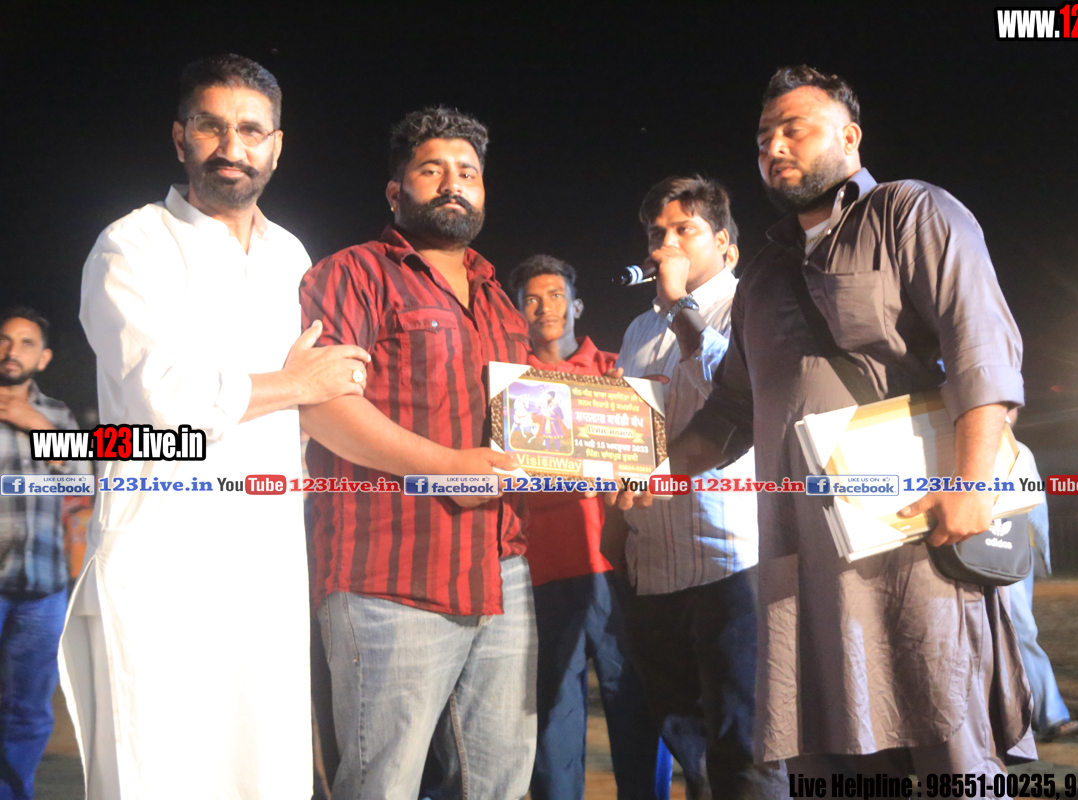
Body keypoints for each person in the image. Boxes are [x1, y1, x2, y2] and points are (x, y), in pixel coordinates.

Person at [648, 65, 1034, 778]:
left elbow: (979, 345)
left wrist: (973, 483)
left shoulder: (911, 213)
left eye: (793, 129)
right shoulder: (762, 276)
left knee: (947, 744)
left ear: (850, 138)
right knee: (831, 758)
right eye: (763, 138)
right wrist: (661, 472)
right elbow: (732, 409)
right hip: (801, 565)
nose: (774, 147)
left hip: (912, 539)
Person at [65, 54, 370, 798]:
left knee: (264, 767)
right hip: (164, 550)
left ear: (276, 146)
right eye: (211, 127)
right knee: (160, 767)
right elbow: (163, 399)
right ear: (180, 138)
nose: (231, 147)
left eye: (250, 130)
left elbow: (310, 403)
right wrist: (297, 385)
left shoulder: (290, 255)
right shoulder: (131, 245)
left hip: (267, 548)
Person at [298, 107, 535, 799]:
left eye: (468, 173)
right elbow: (322, 406)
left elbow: (527, 432)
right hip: (389, 573)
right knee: (384, 783)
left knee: (499, 782)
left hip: (500, 570)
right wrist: (445, 466)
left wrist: (601, 460)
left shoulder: (500, 300)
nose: (453, 183)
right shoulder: (352, 274)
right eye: (432, 169)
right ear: (395, 190)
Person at [607, 176, 785, 799]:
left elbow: (742, 402)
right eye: (657, 233)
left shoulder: (753, 307)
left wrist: (682, 308)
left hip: (730, 559)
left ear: (727, 246)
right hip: (653, 563)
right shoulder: (637, 331)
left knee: (748, 743)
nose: (667, 244)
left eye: (685, 230)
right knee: (688, 740)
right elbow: (628, 435)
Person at [508, 255, 670, 800]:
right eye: (531, 299)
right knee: (553, 716)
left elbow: (651, 464)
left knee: (636, 707)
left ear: (577, 306)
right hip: (541, 572)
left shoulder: (616, 372)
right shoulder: (509, 386)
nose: (544, 307)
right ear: (518, 313)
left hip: (618, 568)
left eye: (556, 295)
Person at [0, 308, 84, 799]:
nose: (12, 351)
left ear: (44, 357)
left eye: (26, 343)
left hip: (42, 586)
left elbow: (83, 480)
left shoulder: (56, 414)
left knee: (28, 711)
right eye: (5, 339)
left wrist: (36, 425)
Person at [1003, 409, 1078, 739]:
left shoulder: (1019, 452)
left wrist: (1036, 557)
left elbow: (1034, 509)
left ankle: (1047, 714)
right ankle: (1038, 716)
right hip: (991, 553)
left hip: (1011, 554)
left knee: (1020, 630)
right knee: (1016, 631)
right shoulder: (1012, 451)